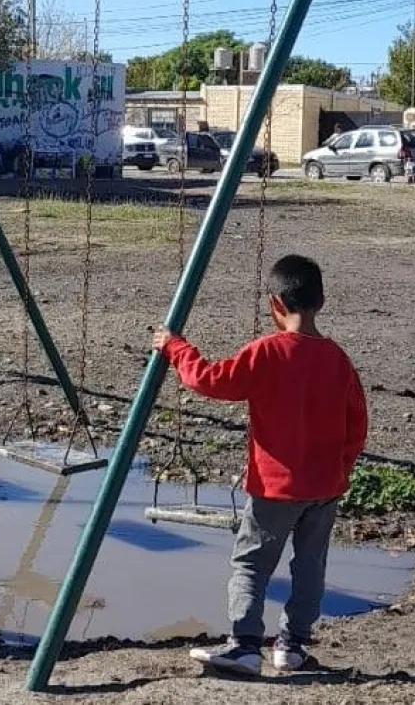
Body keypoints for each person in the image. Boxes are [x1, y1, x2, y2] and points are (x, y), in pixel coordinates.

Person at [153, 255, 367, 677]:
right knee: (310, 566)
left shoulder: (268, 351)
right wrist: (341, 468)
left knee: (251, 564)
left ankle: (246, 645)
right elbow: (357, 423)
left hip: (275, 488)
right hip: (325, 488)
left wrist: (176, 348)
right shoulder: (337, 359)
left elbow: (209, 380)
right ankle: (292, 646)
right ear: (321, 301)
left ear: (275, 304)